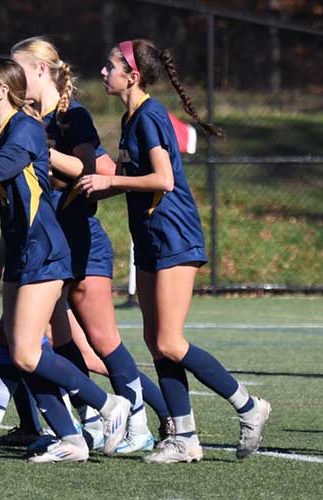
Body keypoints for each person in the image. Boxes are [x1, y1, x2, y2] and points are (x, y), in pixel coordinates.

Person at [0, 56, 132, 463]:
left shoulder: (24, 129)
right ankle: (71, 439)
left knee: (25, 352)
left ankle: (110, 406)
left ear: (3, 90)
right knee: (17, 350)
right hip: (21, 253)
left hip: (43, 250)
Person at [77, 40, 271, 464]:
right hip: (149, 238)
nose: (103, 71)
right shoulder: (131, 119)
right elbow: (135, 180)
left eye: (111, 66)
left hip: (175, 236)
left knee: (169, 340)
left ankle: (248, 405)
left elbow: (163, 179)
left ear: (133, 76)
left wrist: (110, 183)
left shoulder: (149, 115)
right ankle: (184, 437)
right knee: (154, 341)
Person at [10, 36, 172, 453]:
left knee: (102, 343)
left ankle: (155, 419)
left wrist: (39, 153)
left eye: (19, 70)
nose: (10, 79)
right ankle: (92, 420)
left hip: (80, 240)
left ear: (41, 71)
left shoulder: (71, 116)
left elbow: (93, 170)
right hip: (49, 242)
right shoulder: (26, 118)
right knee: (58, 341)